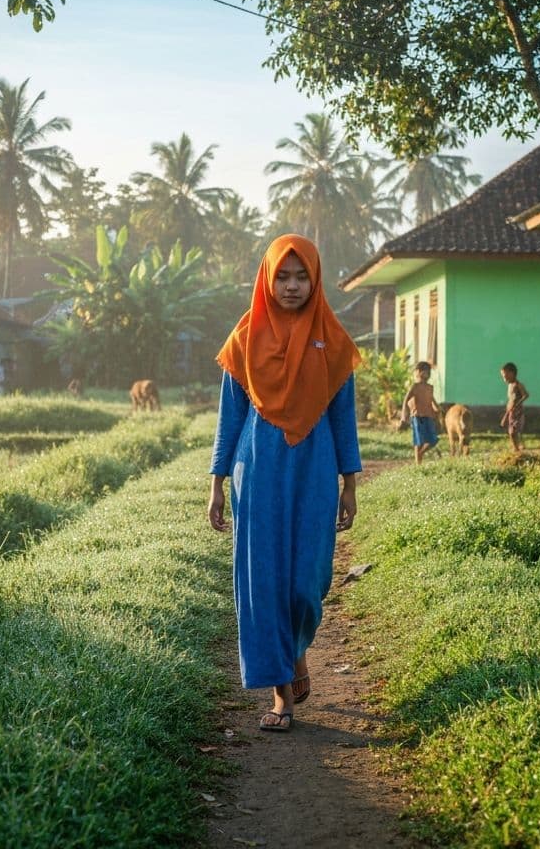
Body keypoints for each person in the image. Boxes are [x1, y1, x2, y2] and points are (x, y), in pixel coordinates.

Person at [207, 234, 361, 734]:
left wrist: (350, 483)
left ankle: (296, 652)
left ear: (315, 280)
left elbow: (343, 419)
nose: (291, 286)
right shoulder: (244, 338)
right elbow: (230, 418)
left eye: (301, 277)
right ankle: (281, 694)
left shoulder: (332, 340)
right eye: (282, 276)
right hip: (257, 469)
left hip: (315, 468)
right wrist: (216, 482)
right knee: (264, 579)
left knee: (307, 583)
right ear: (266, 280)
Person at [400, 361, 442, 464]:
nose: (426, 374)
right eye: (424, 371)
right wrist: (404, 415)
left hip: (429, 417)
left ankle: (420, 454)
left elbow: (432, 400)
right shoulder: (415, 386)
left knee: (433, 440)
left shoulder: (430, 387)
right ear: (418, 372)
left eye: (428, 372)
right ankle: (418, 463)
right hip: (417, 417)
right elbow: (406, 400)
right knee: (419, 441)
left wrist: (438, 409)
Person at [500, 362, 529, 452]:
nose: (504, 379)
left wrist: (517, 404)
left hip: (518, 412)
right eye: (503, 377)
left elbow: (526, 395)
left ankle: (518, 448)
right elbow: (511, 400)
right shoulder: (510, 385)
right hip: (511, 412)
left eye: (506, 376)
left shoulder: (518, 385)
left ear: (512, 373)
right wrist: (506, 415)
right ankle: (516, 448)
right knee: (511, 432)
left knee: (514, 432)